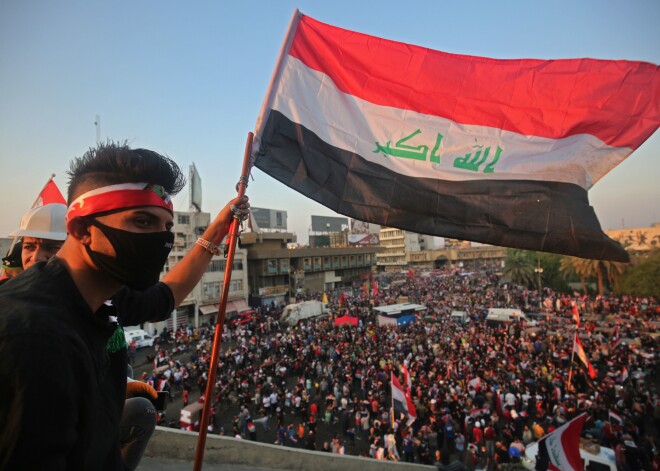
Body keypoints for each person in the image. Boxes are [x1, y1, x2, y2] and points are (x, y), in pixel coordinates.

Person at [0, 142, 249, 470]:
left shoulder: (104, 291)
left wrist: (218, 228)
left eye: (166, 227)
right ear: (81, 229)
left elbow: (165, 298)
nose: (161, 239)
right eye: (142, 222)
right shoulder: (34, 337)